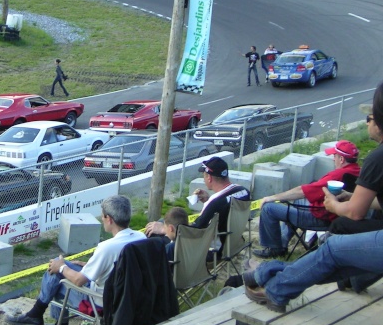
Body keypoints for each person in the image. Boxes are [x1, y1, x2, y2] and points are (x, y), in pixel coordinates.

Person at [244, 82, 383, 312]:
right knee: (340, 256)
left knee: (333, 249)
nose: (368, 121)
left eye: (370, 117)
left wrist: (333, 204)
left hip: (319, 216)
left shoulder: (376, 159)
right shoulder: (359, 167)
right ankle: (267, 272)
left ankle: (275, 287)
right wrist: (352, 197)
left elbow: (355, 212)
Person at [5, 195, 145, 325]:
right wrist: (86, 265)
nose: (102, 219)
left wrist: (62, 267)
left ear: (109, 219)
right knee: (61, 267)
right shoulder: (140, 238)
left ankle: (43, 318)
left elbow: (79, 281)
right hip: (130, 297)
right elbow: (120, 268)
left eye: (103, 216)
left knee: (56, 274)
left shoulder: (107, 247)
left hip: (101, 301)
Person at [252, 139, 361, 258]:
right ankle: (283, 243)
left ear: (341, 159)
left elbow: (301, 191)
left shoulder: (337, 176)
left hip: (321, 218)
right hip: (338, 216)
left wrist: (271, 198)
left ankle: (274, 249)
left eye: (334, 156)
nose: (333, 159)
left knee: (268, 208)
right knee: (297, 201)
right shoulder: (358, 171)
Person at [145, 157, 250, 258]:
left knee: (160, 231)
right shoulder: (244, 191)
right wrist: (208, 200)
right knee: (167, 221)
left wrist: (164, 229)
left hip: (214, 250)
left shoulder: (214, 203)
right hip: (234, 242)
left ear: (209, 177)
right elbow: (224, 207)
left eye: (204, 175)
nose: (204, 179)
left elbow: (193, 232)